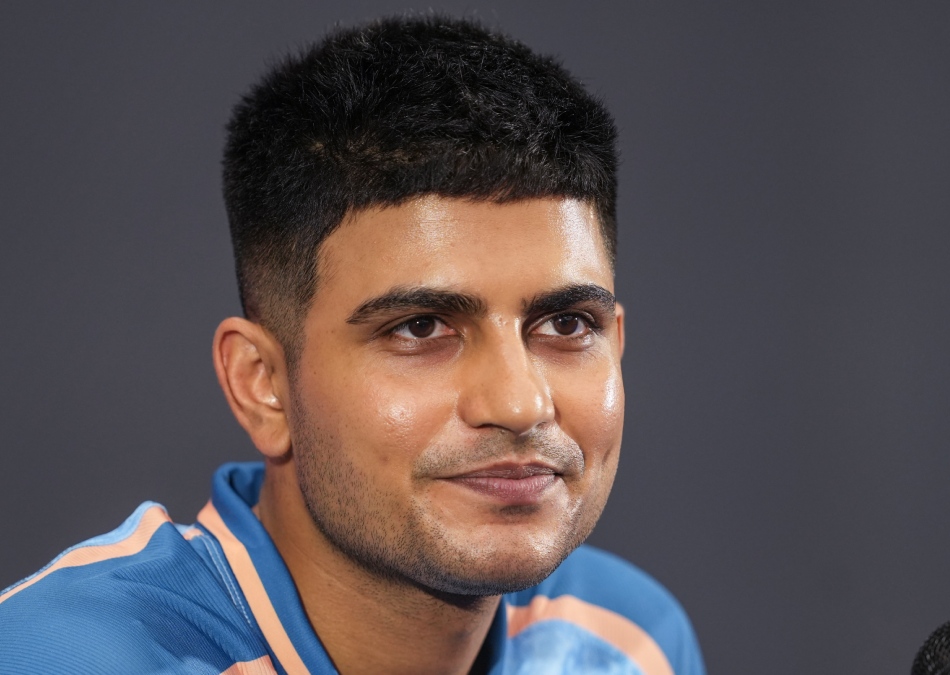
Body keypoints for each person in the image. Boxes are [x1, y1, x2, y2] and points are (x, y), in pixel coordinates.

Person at [0, 15, 705, 675]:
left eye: (567, 324)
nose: (520, 404)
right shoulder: (54, 656)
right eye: (421, 327)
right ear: (262, 384)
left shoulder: (627, 639)